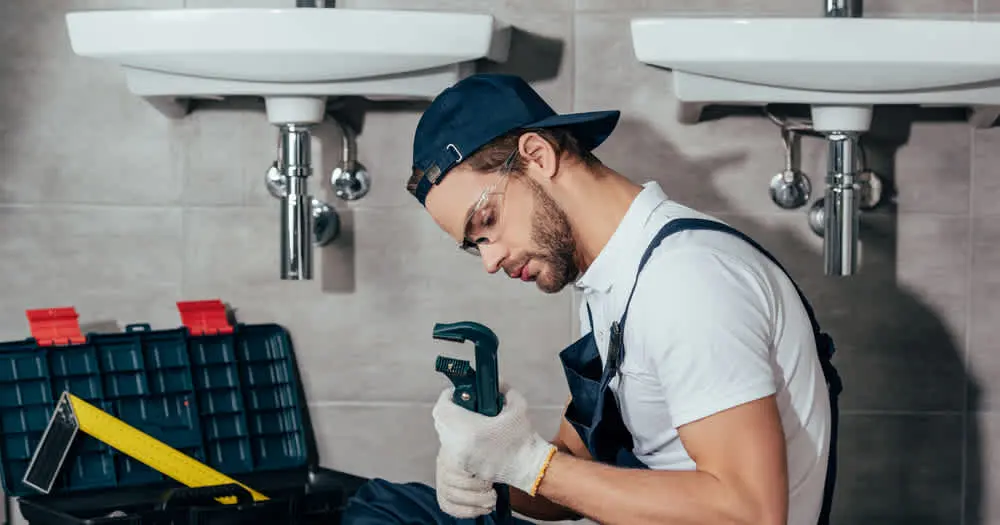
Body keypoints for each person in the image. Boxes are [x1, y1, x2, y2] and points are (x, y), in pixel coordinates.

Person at [339, 73, 843, 525]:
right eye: (474, 247)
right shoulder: (611, 283)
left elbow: (751, 513)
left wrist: (530, 464)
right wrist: (487, 467)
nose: (489, 261)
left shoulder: (688, 280)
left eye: (486, 223)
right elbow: (570, 481)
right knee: (384, 507)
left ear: (538, 157)